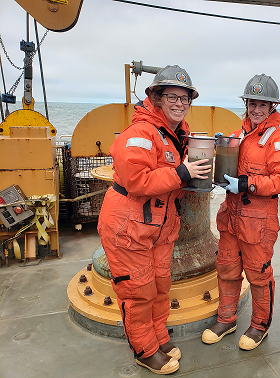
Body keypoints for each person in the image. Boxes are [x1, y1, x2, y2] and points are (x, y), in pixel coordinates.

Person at [97, 65, 211, 375]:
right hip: (128, 224)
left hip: (157, 225)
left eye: (184, 98)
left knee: (160, 284)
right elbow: (136, 180)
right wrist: (182, 173)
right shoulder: (141, 134)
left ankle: (158, 337)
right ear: (156, 98)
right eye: (172, 97)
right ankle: (144, 350)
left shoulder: (175, 134)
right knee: (138, 290)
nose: (179, 103)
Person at [201, 74, 280, 350]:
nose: (256, 110)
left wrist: (246, 183)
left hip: (258, 223)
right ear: (246, 104)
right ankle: (226, 319)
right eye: (252, 103)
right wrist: (220, 147)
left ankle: (259, 325)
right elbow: (224, 165)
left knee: (258, 275)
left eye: (262, 105)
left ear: (272, 108)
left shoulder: (279, 139)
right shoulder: (240, 134)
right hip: (231, 218)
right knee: (227, 269)